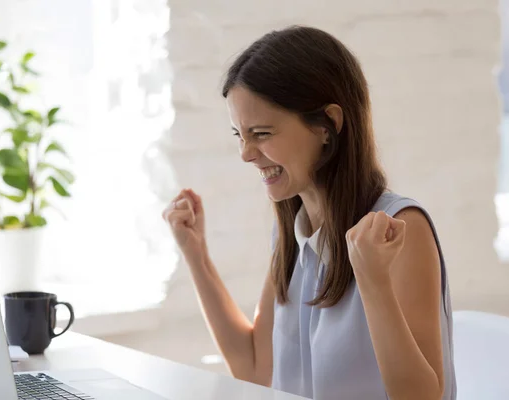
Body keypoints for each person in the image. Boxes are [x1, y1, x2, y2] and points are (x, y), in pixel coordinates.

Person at [162, 26, 456, 400]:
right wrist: (195, 254)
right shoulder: (294, 231)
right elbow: (254, 370)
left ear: (327, 126)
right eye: (239, 134)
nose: (246, 153)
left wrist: (373, 281)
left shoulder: (399, 229)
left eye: (262, 133)